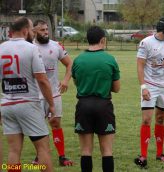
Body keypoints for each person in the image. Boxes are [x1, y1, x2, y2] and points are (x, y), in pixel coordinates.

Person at [0, 17, 54, 172]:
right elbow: (42, 80)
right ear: (25, 30)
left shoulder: (1, 48)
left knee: (13, 150)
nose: (33, 33)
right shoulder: (31, 48)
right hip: (28, 104)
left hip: (7, 105)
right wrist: (51, 104)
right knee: (43, 149)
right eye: (31, 30)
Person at [72, 26, 120, 172]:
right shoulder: (110, 59)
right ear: (102, 40)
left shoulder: (78, 59)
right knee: (106, 151)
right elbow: (117, 88)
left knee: (86, 150)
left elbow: (77, 82)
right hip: (103, 105)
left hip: (83, 105)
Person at [134, 17, 164, 168]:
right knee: (147, 119)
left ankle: (160, 154)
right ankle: (143, 155)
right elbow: (140, 66)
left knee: (160, 119)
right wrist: (143, 87)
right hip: (150, 86)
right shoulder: (146, 42)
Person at [32, 19, 73, 166]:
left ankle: (62, 156)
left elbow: (69, 63)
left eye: (47, 30)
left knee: (55, 123)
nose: (46, 32)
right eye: (42, 30)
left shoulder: (56, 46)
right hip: (35, 95)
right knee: (38, 127)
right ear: (34, 31)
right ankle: (39, 156)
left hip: (54, 93)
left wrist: (66, 80)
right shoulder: (29, 47)